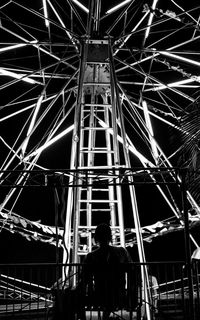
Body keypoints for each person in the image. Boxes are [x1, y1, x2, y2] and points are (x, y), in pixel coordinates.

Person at [82, 223, 133, 320]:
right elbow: (131, 270)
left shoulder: (91, 256)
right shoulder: (121, 252)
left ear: (96, 238)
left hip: (100, 294)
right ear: (110, 236)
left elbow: (85, 278)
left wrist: (88, 293)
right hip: (118, 292)